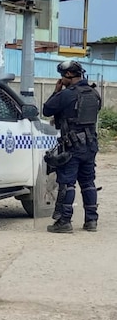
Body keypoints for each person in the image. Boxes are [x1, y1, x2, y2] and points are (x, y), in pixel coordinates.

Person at [42, 60, 102, 233]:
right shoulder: (94, 93)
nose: (61, 79)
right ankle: (91, 221)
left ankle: (64, 222)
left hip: (72, 145)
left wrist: (56, 91)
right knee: (88, 182)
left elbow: (47, 110)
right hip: (90, 144)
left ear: (68, 75)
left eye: (62, 76)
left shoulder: (67, 94)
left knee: (67, 183)